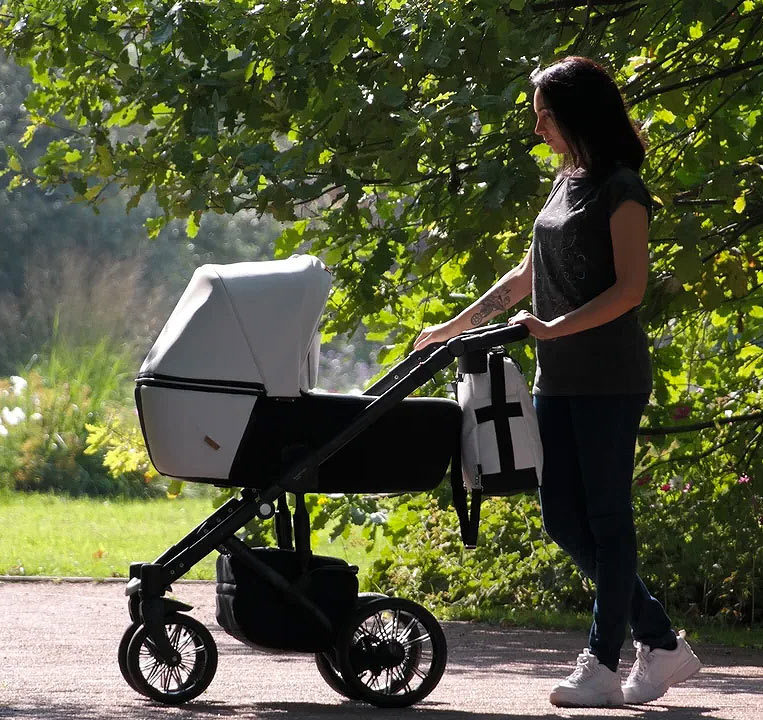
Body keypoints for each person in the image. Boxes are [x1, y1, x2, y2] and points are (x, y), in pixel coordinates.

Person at [413, 56, 701, 708]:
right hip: (558, 378)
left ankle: (601, 664)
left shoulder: (622, 189)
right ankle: (660, 642)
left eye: (544, 114)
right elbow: (524, 277)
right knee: (562, 518)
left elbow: (629, 290)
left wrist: (554, 327)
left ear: (576, 114)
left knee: (607, 519)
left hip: (609, 379)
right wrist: (453, 326)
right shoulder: (566, 181)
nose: (537, 126)